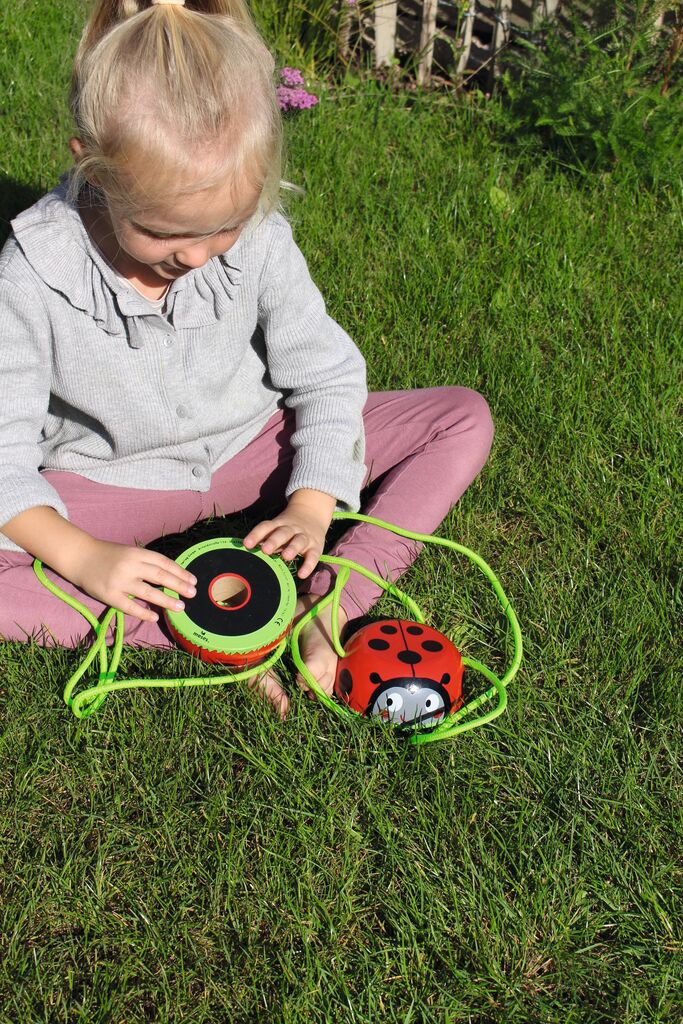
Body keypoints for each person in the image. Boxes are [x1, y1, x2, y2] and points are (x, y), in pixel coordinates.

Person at [0, 0, 494, 718]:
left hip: (254, 450)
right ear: (93, 173)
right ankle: (204, 637)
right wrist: (82, 557)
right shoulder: (31, 272)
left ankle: (329, 608)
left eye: (224, 227)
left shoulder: (259, 235)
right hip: (113, 481)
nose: (197, 256)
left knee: (459, 418)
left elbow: (325, 378)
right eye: (164, 232)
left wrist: (311, 503)